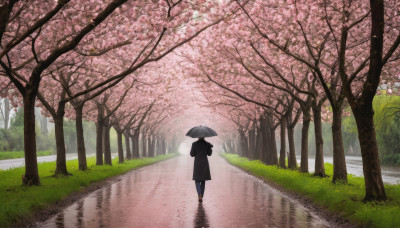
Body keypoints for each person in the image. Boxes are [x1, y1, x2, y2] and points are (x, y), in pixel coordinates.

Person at [190, 137, 213, 202]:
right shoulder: (207, 144)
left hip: (197, 163)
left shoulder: (194, 144)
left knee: (197, 180)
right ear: (204, 136)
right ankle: (201, 195)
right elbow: (209, 154)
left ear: (198, 136)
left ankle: (199, 194)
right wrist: (210, 147)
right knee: (203, 180)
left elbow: (192, 154)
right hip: (204, 163)